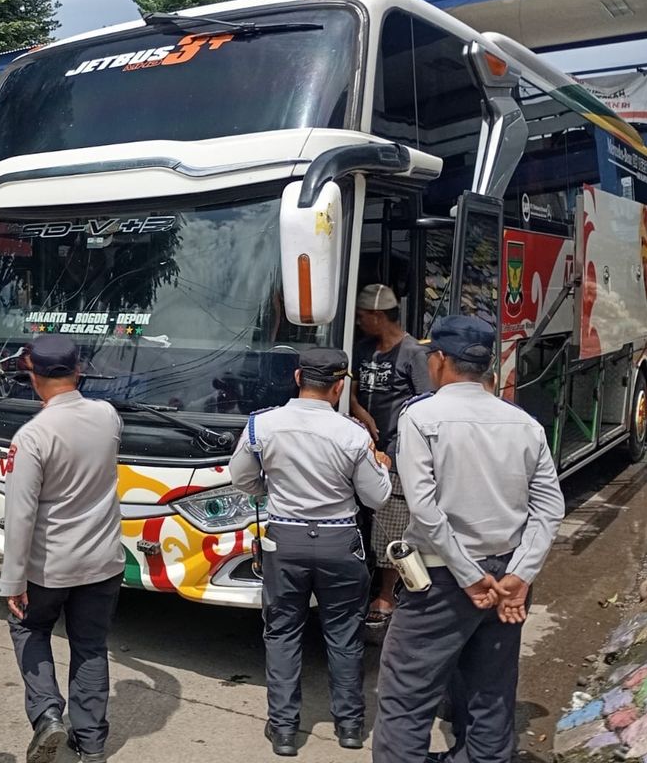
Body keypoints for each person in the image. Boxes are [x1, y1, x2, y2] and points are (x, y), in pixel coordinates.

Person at [371, 315, 565, 763]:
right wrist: (520, 573)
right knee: (492, 688)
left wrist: (469, 574)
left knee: (406, 693)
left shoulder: (421, 416)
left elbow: (424, 508)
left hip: (442, 580)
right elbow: (549, 508)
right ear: (487, 367)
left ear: (438, 360)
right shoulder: (525, 423)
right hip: (509, 581)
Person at [230, 347, 392, 757]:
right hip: (340, 542)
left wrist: (275, 489)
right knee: (344, 635)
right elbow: (376, 498)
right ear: (339, 386)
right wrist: (382, 466)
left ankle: (284, 730)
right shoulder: (353, 434)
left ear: (298, 377)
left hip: (285, 541)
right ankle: (351, 727)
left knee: (282, 632)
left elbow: (243, 479)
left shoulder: (260, 425)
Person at [0, 335, 125, 763]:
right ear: (78, 371)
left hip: (48, 565)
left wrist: (12, 579)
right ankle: (90, 744)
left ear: (33, 378)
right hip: (103, 561)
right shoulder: (108, 416)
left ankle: (48, 713)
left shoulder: (33, 435)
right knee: (90, 646)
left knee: (29, 629)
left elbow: (20, 514)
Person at [349, 284, 431, 626]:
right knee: (364, 519)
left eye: (362, 317)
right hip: (361, 447)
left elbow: (426, 405)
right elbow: (349, 389)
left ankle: (386, 595)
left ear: (378, 316)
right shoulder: (364, 348)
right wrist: (360, 414)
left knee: (391, 524)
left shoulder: (413, 354)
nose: (358, 323)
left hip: (395, 452)